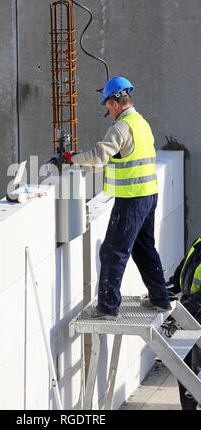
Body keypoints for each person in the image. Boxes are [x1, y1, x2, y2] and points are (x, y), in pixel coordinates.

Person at [69, 76, 171, 319]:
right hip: (148, 194)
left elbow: (100, 155)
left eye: (107, 105)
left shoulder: (121, 127)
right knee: (144, 248)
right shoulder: (141, 123)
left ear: (114, 103)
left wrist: (73, 158)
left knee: (112, 251)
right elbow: (125, 156)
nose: (108, 110)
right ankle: (159, 299)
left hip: (132, 198)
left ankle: (107, 307)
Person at [166, 237, 201, 410]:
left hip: (195, 315)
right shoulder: (198, 242)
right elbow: (179, 276)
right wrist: (161, 292)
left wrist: (181, 312)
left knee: (197, 373)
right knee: (182, 370)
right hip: (188, 315)